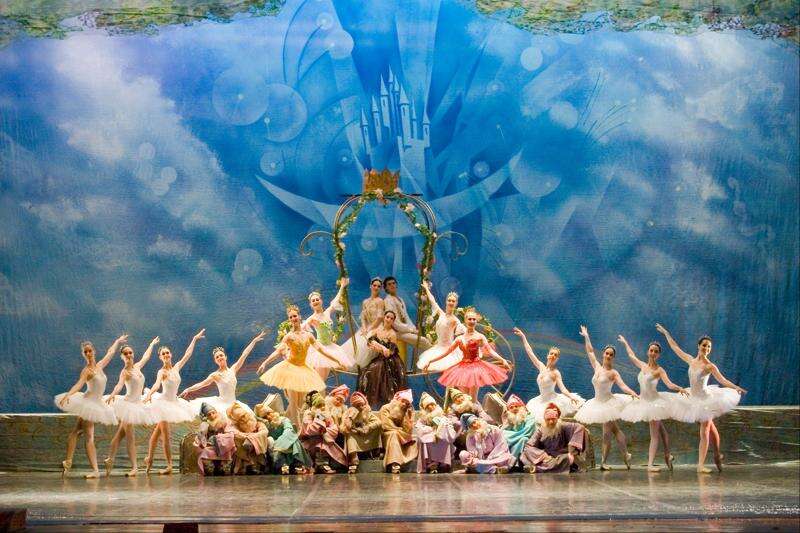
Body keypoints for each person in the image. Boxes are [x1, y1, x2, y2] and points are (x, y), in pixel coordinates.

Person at [656, 324, 746, 473]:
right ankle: (717, 454)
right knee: (710, 427)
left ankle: (700, 465)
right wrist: (666, 333)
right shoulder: (691, 360)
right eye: (704, 345)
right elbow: (675, 347)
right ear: (698, 346)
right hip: (693, 398)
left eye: (709, 347)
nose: (706, 348)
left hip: (706, 400)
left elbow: (723, 380)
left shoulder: (710, 366)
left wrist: (736, 387)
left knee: (704, 431)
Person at [55, 334, 127, 478]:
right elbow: (79, 384)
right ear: (84, 354)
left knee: (76, 431)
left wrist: (117, 341)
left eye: (90, 350)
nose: (88, 353)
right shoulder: (86, 371)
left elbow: (110, 353)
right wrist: (68, 395)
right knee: (89, 436)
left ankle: (68, 462)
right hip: (88, 403)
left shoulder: (99, 366)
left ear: (94, 351)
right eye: (85, 352)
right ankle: (94, 470)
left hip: (97, 402)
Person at [258, 306, 341, 425]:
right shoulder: (289, 336)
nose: (293, 318)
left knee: (303, 402)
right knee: (294, 402)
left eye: (295, 316)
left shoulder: (308, 335)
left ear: (299, 317)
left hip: (303, 369)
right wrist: (265, 363)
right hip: (290, 369)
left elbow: (321, 350)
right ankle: (297, 428)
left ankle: (296, 423)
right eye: (291, 317)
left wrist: (336, 360)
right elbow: (278, 351)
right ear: (289, 320)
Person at [618, 335, 688, 472]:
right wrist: (626, 343)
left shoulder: (659, 370)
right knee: (663, 432)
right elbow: (631, 355)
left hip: (654, 403)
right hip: (644, 401)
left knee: (654, 435)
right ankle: (668, 456)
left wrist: (679, 388)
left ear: (658, 355)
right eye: (651, 350)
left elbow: (669, 384)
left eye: (656, 351)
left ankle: (650, 465)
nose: (653, 353)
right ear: (648, 352)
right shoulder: (642, 365)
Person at [574, 325, 638, 470]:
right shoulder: (597, 367)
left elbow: (623, 386)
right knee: (615, 430)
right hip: (597, 402)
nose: (608, 356)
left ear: (613, 357)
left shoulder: (613, 373)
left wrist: (633, 393)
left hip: (608, 403)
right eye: (606, 353)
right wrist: (586, 336)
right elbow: (590, 351)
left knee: (606, 434)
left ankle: (604, 462)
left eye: (611, 354)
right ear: (603, 354)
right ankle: (626, 455)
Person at [143, 329, 205, 475]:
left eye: (167, 353)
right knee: (165, 434)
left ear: (170, 354)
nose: (166, 355)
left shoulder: (176, 367)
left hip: (174, 402)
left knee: (157, 432)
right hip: (163, 403)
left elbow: (187, 354)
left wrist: (194, 339)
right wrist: (149, 394)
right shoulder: (162, 372)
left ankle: (149, 459)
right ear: (160, 357)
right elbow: (156, 385)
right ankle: (169, 465)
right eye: (163, 354)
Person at [424, 307, 511, 402]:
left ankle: (475, 408)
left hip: (476, 368)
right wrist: (431, 361)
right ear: (465, 321)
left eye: (474, 319)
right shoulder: (459, 339)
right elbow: (447, 352)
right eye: (470, 319)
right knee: (465, 399)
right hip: (463, 369)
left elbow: (490, 351)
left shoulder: (480, 336)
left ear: (476, 321)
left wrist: (502, 360)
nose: (472, 321)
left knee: (473, 399)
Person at [103, 337, 160, 477]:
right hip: (128, 405)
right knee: (130, 437)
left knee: (119, 435)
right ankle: (134, 467)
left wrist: (152, 344)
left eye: (130, 352)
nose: (129, 355)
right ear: (122, 357)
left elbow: (146, 356)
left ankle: (110, 459)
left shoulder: (138, 366)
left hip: (137, 404)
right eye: (126, 353)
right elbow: (119, 385)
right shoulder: (125, 372)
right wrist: (112, 394)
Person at [182, 331, 268, 418]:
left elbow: (244, 354)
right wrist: (188, 389)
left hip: (234, 403)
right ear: (215, 361)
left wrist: (254, 341)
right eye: (217, 357)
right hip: (223, 406)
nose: (219, 357)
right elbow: (202, 384)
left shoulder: (233, 369)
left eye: (221, 355)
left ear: (225, 357)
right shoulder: (215, 375)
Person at [513, 328, 583, 422]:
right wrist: (523, 337)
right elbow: (530, 352)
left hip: (552, 400)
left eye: (555, 355)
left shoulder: (556, 373)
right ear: (547, 355)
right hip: (540, 401)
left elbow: (563, 389)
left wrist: (571, 397)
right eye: (551, 353)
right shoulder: (541, 366)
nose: (553, 356)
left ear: (557, 359)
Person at [303, 278, 355, 378]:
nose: (315, 301)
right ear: (311, 305)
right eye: (313, 301)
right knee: (320, 379)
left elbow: (336, 300)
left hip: (331, 347)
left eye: (317, 299)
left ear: (321, 301)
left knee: (325, 377)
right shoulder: (312, 318)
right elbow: (301, 328)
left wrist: (342, 286)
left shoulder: (327, 312)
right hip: (321, 349)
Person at [357, 310, 408, 408]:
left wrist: (381, 348)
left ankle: (383, 401)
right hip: (380, 358)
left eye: (391, 318)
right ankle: (365, 400)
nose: (389, 319)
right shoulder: (377, 330)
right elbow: (370, 342)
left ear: (393, 321)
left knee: (377, 369)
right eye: (387, 317)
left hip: (390, 361)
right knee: (367, 370)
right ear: (384, 317)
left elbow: (389, 353)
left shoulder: (392, 334)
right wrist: (376, 345)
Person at [519, 403, 589, 474]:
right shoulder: (541, 430)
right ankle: (541, 467)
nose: (551, 422)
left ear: (557, 418)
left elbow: (580, 427)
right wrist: (543, 456)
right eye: (548, 420)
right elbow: (529, 445)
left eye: (553, 419)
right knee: (524, 454)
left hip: (560, 456)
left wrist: (572, 448)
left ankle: (536, 469)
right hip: (546, 457)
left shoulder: (564, 426)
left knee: (566, 459)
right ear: (545, 420)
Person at [416, 281, 465, 372]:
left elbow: (464, 334)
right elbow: (432, 300)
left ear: (456, 303)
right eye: (449, 300)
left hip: (449, 351)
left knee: (447, 372)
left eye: (453, 301)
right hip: (438, 348)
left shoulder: (455, 320)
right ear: (446, 301)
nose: (451, 302)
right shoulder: (441, 314)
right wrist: (426, 288)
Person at [255, 403, 312, 475]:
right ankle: (283, 466)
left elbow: (289, 429)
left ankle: (297, 465)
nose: (268, 417)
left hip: (287, 441)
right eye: (265, 416)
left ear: (272, 412)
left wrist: (281, 441)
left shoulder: (283, 419)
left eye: (269, 413)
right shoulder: (267, 425)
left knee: (293, 442)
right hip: (275, 446)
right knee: (271, 442)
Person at [340, 277, 385, 368]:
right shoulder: (365, 302)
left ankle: (363, 365)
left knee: (366, 340)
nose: (376, 287)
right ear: (370, 286)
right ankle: (346, 363)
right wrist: (364, 328)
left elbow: (379, 318)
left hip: (377, 327)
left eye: (379, 286)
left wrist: (368, 329)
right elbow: (363, 317)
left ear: (380, 288)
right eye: (374, 285)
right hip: (366, 327)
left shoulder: (380, 301)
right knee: (354, 341)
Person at [299, 390, 347, 473]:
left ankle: (323, 464)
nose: (322, 407)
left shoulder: (326, 414)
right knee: (320, 443)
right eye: (319, 405)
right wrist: (319, 420)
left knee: (325, 444)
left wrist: (324, 431)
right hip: (311, 441)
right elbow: (308, 430)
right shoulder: (308, 413)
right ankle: (320, 464)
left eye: (323, 405)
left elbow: (334, 428)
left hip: (325, 439)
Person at [382, 276, 432, 354]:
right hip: (396, 332)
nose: (392, 285)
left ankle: (425, 359)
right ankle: (435, 356)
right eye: (389, 284)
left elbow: (406, 317)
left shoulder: (400, 299)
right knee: (423, 341)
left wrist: (413, 328)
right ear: (386, 288)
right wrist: (411, 330)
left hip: (403, 330)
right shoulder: (388, 300)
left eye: (393, 283)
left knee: (422, 340)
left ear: (396, 285)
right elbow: (394, 323)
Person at [340, 391, 383, 473]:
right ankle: (353, 459)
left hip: (366, 434)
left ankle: (376, 452)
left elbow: (378, 422)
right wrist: (351, 417)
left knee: (377, 428)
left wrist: (367, 427)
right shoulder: (348, 413)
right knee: (350, 436)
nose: (361, 407)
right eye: (358, 405)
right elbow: (343, 428)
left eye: (362, 405)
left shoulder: (366, 412)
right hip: (355, 435)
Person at [414, 392, 456, 473]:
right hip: (428, 435)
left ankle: (442, 464)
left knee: (443, 440)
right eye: (428, 406)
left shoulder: (441, 414)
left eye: (432, 404)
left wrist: (441, 427)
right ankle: (432, 465)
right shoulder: (423, 417)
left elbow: (448, 424)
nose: (431, 407)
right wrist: (431, 429)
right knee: (428, 441)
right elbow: (419, 428)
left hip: (441, 434)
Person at [378, 389, 418, 473]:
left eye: (407, 403)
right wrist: (398, 429)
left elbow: (407, 431)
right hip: (388, 433)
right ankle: (395, 463)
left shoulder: (406, 411)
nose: (404, 404)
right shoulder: (385, 408)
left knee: (411, 438)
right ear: (397, 400)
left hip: (402, 435)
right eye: (402, 401)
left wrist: (408, 417)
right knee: (394, 434)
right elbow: (385, 425)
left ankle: (399, 460)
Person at [227, 402, 272, 474]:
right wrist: (247, 436)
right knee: (244, 444)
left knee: (260, 442)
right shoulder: (235, 425)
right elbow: (232, 432)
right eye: (241, 418)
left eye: (244, 415)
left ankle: (260, 465)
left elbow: (264, 431)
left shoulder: (256, 422)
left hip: (257, 441)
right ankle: (248, 466)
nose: (244, 418)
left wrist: (253, 437)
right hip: (244, 444)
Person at [194, 402, 235, 475]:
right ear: (206, 416)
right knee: (205, 451)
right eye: (209, 414)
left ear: (216, 412)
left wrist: (219, 438)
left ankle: (222, 468)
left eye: (213, 413)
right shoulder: (205, 424)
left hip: (222, 444)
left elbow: (229, 432)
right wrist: (202, 438)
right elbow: (202, 435)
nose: (212, 415)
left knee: (227, 450)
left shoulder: (223, 421)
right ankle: (210, 469)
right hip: (210, 445)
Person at [501, 394, 538, 463]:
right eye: (511, 407)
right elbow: (504, 431)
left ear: (521, 407)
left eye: (516, 406)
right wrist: (505, 421)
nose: (514, 408)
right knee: (503, 434)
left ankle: (512, 462)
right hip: (514, 439)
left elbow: (528, 432)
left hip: (526, 438)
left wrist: (513, 437)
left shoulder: (529, 416)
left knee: (523, 439)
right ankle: (503, 461)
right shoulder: (510, 418)